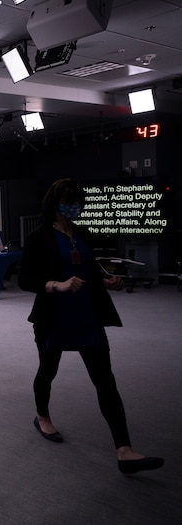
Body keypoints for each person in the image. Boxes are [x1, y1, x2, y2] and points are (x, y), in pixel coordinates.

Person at [18, 178, 163, 474]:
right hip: (54, 317)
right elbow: (24, 279)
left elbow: (89, 270)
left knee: (105, 380)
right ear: (54, 205)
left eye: (78, 202)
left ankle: (125, 451)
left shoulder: (83, 234)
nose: (75, 208)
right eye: (69, 203)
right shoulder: (39, 237)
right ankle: (42, 416)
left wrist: (109, 283)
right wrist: (56, 285)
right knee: (48, 370)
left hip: (87, 316)